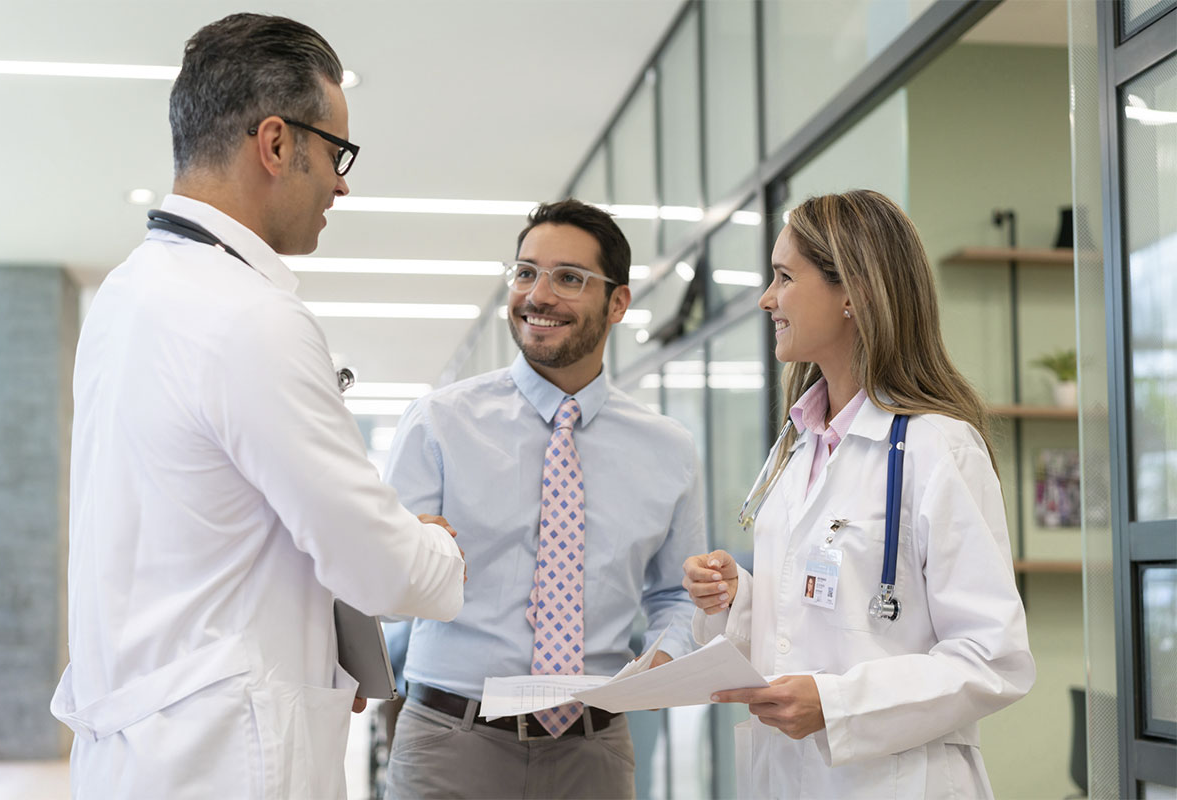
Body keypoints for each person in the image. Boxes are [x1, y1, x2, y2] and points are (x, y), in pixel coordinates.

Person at [49, 14, 466, 800]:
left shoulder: (128, 296)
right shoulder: (248, 318)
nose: (343, 182)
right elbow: (381, 568)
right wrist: (435, 548)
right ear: (276, 144)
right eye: (337, 152)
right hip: (223, 759)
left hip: (147, 746)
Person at [682, 190, 1035, 798]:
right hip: (789, 777)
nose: (767, 299)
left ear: (854, 293)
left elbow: (993, 659)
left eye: (784, 278)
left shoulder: (936, 448)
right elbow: (805, 623)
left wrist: (837, 703)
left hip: (897, 781)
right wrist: (736, 600)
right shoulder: (796, 448)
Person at [383, 199, 707, 799]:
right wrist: (403, 557)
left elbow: (675, 595)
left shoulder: (669, 450)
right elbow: (380, 592)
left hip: (594, 752)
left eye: (568, 278)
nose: (538, 294)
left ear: (617, 304)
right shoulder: (439, 423)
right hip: (451, 744)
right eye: (526, 272)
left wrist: (666, 655)